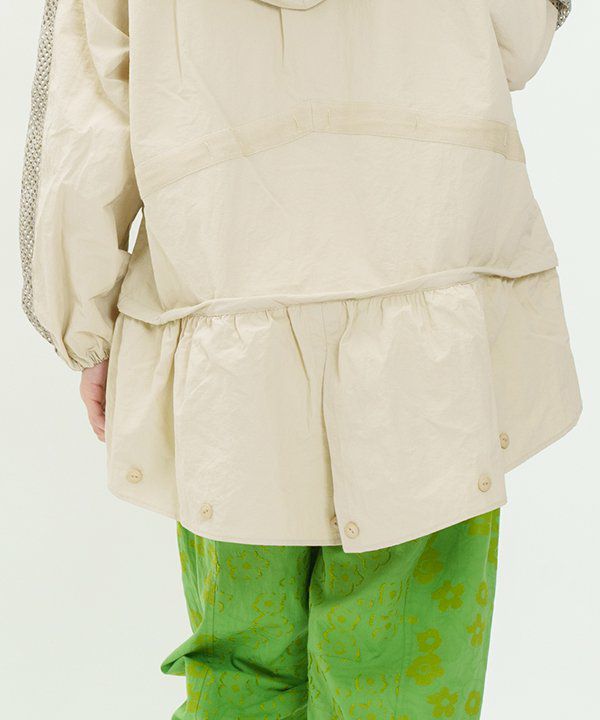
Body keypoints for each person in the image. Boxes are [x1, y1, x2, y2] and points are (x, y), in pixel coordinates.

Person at [19, 1, 580, 718]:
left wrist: (85, 326)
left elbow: (83, 116)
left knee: (242, 668)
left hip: (227, 356)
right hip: (428, 350)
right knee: (408, 672)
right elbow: (521, 38)